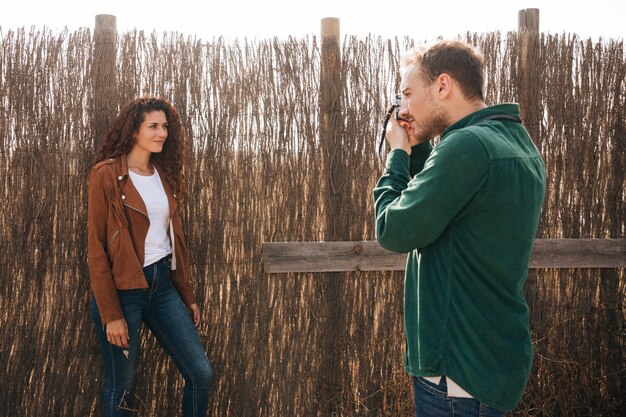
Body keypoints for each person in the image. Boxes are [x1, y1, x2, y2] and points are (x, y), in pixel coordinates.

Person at [373, 40, 546, 416]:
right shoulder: (515, 141)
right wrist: (420, 148)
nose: (403, 108)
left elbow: (394, 229)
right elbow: (441, 207)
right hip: (491, 360)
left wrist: (398, 155)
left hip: (456, 377)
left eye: (407, 94)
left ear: (443, 86)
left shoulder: (466, 147)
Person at [88, 96, 213, 416]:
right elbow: (97, 248)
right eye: (153, 126)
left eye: (165, 126)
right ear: (133, 131)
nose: (162, 133)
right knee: (122, 385)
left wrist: (187, 294)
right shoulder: (106, 174)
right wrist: (110, 312)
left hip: (163, 289)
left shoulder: (163, 174)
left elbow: (175, 240)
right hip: (123, 291)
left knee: (200, 374)